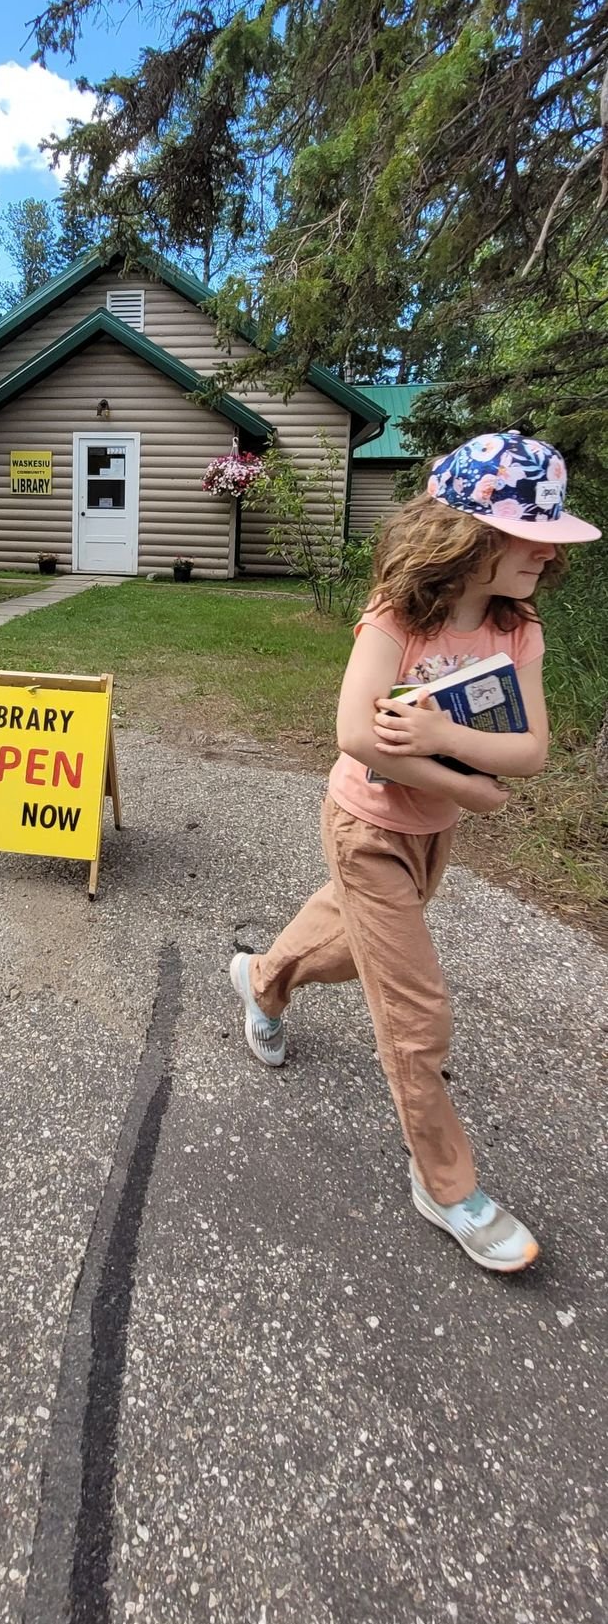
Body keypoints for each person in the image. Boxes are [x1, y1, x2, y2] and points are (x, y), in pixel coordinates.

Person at [231, 431, 600, 1273]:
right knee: (415, 1011)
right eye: (531, 535)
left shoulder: (519, 627)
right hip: (366, 826)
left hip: (432, 837)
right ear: (471, 537)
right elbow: (355, 731)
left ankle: (261, 979)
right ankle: (445, 1183)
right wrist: (465, 778)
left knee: (352, 951)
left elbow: (532, 749)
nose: (547, 553)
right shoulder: (398, 618)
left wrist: (445, 746)